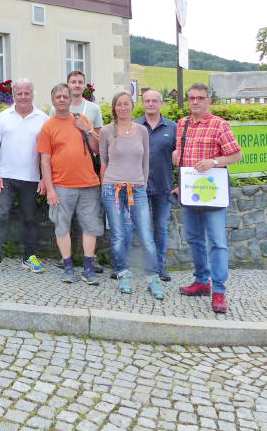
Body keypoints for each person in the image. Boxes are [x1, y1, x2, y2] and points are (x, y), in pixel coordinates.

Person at [173, 82, 242, 314]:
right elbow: (181, 159)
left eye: (200, 98)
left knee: (217, 242)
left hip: (213, 195)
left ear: (208, 101)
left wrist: (213, 162)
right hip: (191, 193)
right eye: (191, 98)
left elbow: (236, 154)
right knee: (194, 239)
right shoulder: (182, 124)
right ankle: (202, 281)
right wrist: (178, 174)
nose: (195, 102)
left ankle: (219, 290)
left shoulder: (219, 125)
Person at [38, 83, 103, 284]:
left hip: (88, 184)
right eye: (58, 96)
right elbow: (44, 161)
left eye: (65, 96)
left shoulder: (81, 119)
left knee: (90, 226)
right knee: (61, 226)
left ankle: (88, 268)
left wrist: (89, 129)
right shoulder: (48, 126)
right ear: (53, 100)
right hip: (61, 185)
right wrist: (50, 189)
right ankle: (67, 267)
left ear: (70, 98)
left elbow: (97, 148)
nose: (62, 99)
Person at [99, 91, 162, 297]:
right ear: (114, 108)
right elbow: (103, 162)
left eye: (126, 104)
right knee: (118, 235)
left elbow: (146, 162)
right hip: (112, 188)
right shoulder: (107, 132)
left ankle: (153, 278)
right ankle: (123, 273)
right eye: (119, 104)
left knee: (146, 235)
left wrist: (142, 184)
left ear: (132, 107)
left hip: (137, 189)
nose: (123, 108)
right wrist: (104, 186)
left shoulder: (142, 131)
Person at [0, 79, 49, 276]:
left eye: (26, 93)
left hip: (31, 178)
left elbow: (47, 152)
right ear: (13, 95)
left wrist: (45, 178)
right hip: (5, 177)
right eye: (19, 93)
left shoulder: (43, 119)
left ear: (33, 94)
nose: (23, 97)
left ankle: (29, 257)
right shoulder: (3, 117)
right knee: (0, 216)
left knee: (30, 218)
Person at [135, 88, 178, 282]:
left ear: (161, 104)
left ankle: (160, 267)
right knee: (139, 229)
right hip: (138, 187)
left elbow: (182, 159)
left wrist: (180, 184)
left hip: (164, 187)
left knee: (161, 228)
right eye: (147, 101)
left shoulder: (173, 128)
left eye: (154, 101)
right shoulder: (135, 126)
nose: (150, 104)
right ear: (142, 103)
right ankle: (139, 266)